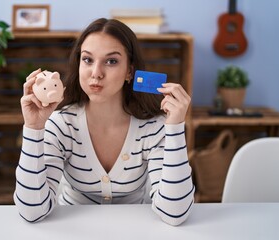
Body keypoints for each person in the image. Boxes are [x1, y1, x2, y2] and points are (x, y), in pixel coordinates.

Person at [14, 18, 194, 226]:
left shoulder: (154, 127)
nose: (96, 73)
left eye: (111, 61)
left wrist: (174, 129)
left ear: (129, 71)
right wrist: (33, 129)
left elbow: (175, 213)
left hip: (137, 231)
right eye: (88, 60)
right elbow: (31, 212)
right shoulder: (61, 124)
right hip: (70, 231)